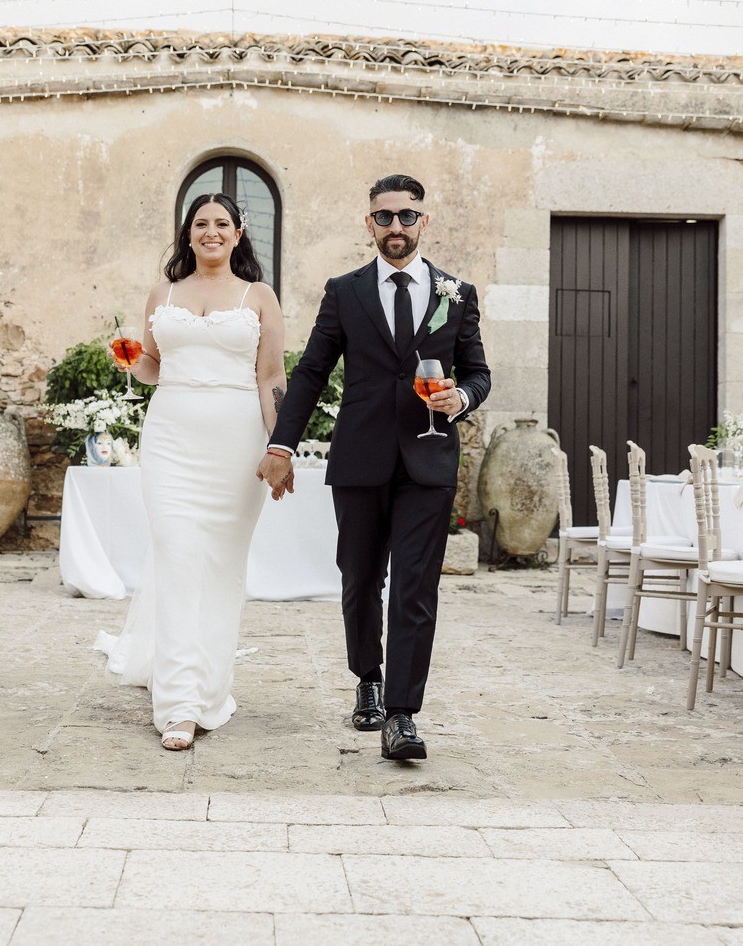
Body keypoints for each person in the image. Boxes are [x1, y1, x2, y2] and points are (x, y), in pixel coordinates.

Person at [258, 173, 489, 761]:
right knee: (360, 578)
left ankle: (402, 716)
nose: (395, 226)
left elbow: (478, 372)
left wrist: (461, 398)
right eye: (384, 217)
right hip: (360, 457)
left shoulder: (457, 294)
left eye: (406, 216)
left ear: (423, 222)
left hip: (429, 459)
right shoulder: (345, 291)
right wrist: (282, 446)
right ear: (369, 224)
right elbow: (311, 372)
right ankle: (368, 678)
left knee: (415, 585)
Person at [98, 193, 286, 751]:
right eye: (200, 223)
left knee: (222, 568)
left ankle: (208, 689)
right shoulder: (163, 293)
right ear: (187, 234)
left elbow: (271, 377)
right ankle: (179, 704)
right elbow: (152, 368)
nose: (211, 232)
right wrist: (130, 360)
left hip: (237, 443)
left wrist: (280, 447)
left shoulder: (259, 296)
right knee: (177, 558)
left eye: (222, 223)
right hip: (171, 440)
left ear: (238, 233)